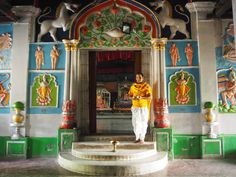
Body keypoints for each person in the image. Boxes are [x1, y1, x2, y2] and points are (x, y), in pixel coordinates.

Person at [128, 73, 152, 144]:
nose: (138, 79)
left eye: (140, 77)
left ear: (143, 78)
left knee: (143, 122)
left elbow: (150, 97)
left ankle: (142, 138)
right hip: (135, 107)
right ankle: (137, 137)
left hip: (143, 107)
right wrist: (133, 98)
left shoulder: (147, 86)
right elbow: (129, 96)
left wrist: (141, 97)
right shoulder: (133, 87)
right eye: (137, 77)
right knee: (135, 123)